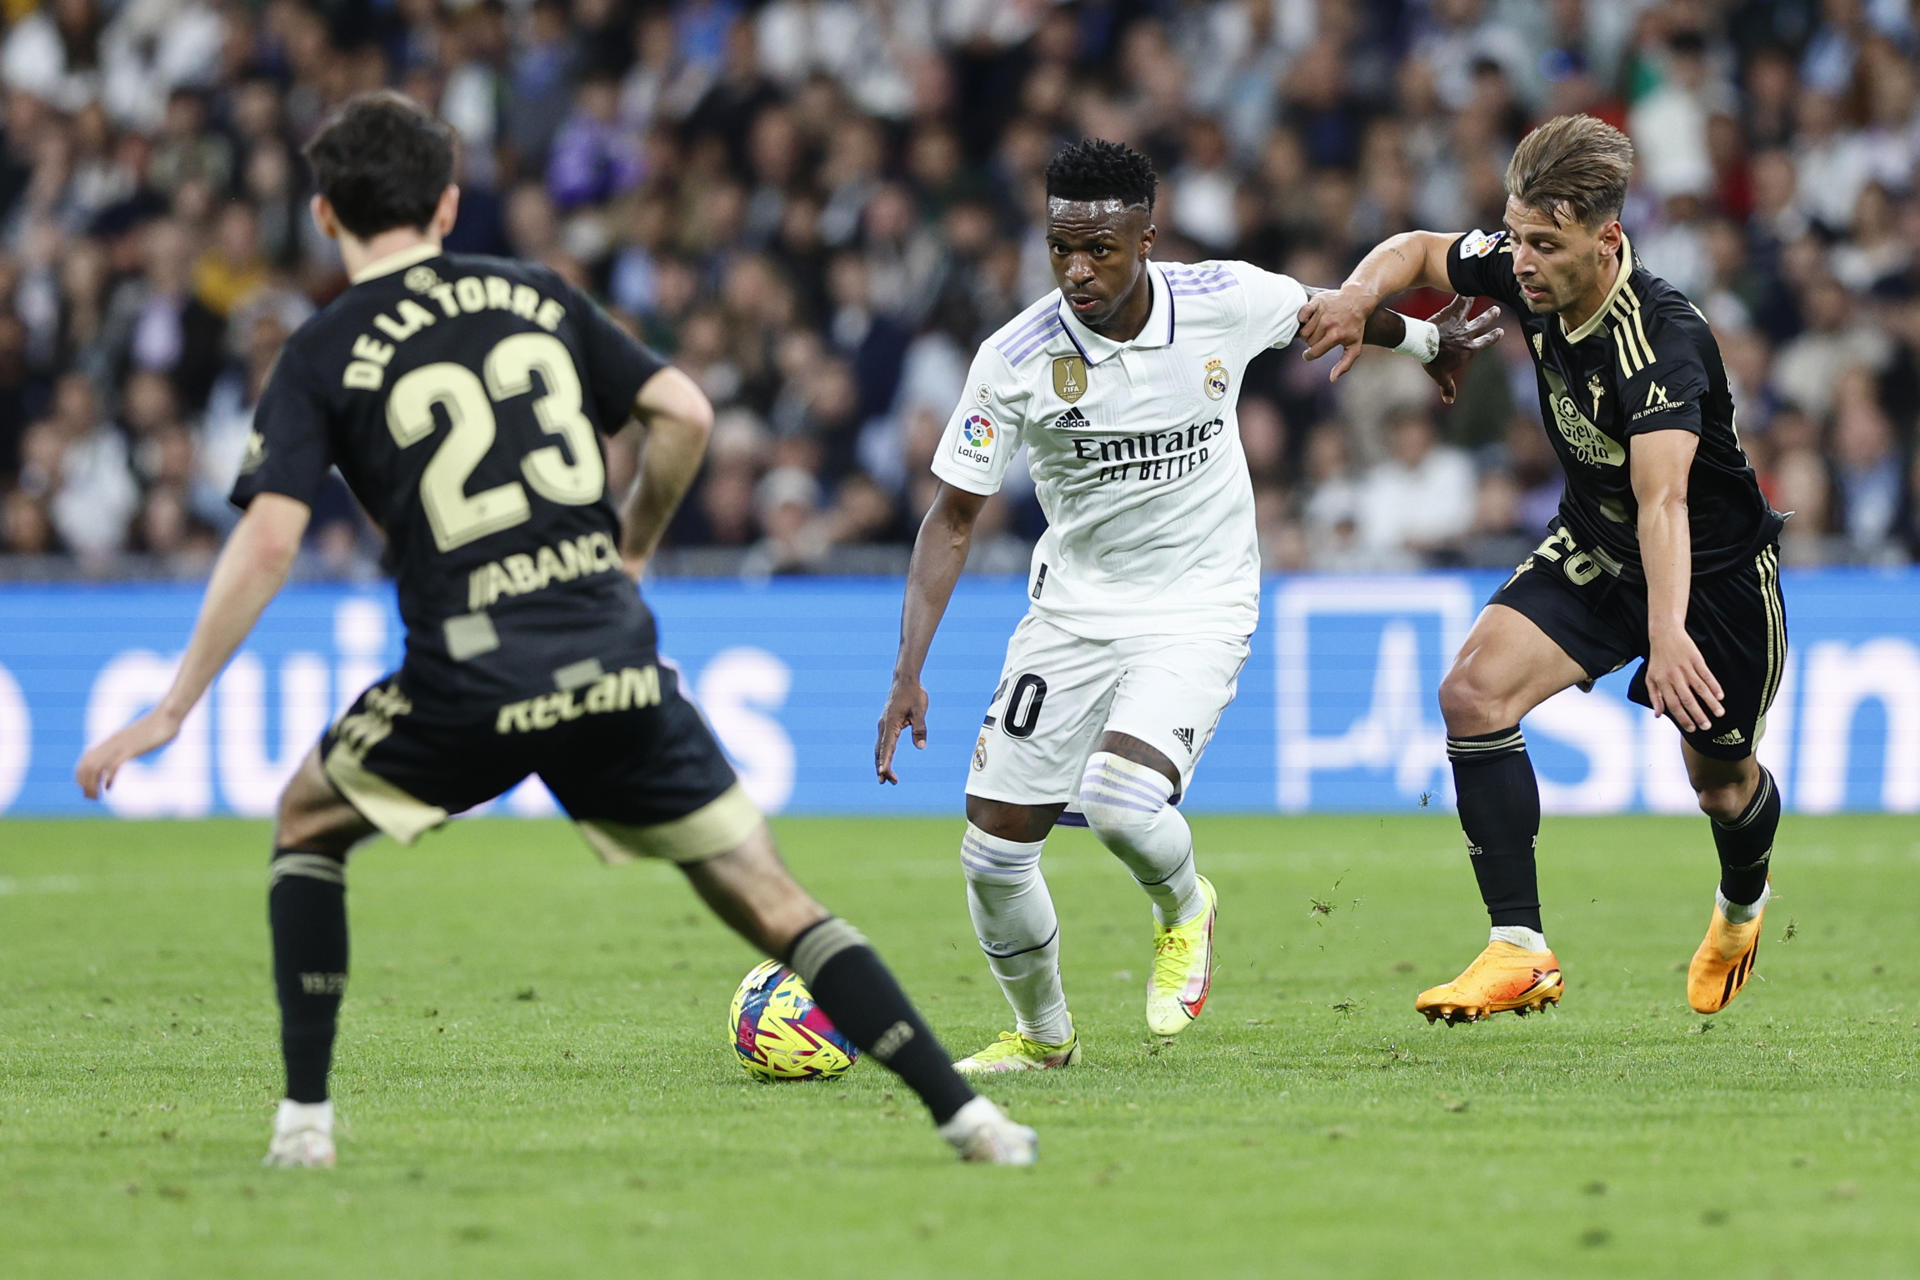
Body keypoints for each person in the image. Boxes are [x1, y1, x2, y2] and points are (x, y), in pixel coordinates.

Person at [74, 91, 1036, 1168]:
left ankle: (304, 1125)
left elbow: (265, 544)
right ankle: (971, 1118)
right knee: (772, 896)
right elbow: (686, 413)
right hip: (615, 655)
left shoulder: (320, 349)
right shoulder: (538, 294)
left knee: (306, 821)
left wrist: (171, 706)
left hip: (470, 674)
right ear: (446, 204)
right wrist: (629, 547)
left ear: (323, 216)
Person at [874, 138, 1497, 1071]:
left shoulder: (1224, 301)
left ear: (1148, 240)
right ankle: (1043, 1040)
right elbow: (952, 519)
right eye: (1059, 250)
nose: (1077, 272)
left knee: (1121, 802)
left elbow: (1329, 318)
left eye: (1101, 251)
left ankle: (1185, 907)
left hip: (1201, 600)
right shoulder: (1015, 358)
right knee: (993, 855)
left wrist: (1427, 341)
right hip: (1074, 613)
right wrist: (907, 671)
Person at [1300, 115, 1787, 1024]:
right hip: (1596, 545)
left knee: (1720, 783)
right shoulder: (1532, 258)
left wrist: (1668, 634)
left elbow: (1666, 503)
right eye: (1515, 236)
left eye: (1543, 245)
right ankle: (1518, 949)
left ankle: (1740, 907)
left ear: (1605, 242)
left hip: (1710, 579)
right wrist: (1351, 296)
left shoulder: (1661, 341)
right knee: (1472, 696)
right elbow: (1415, 249)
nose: (1518, 263)